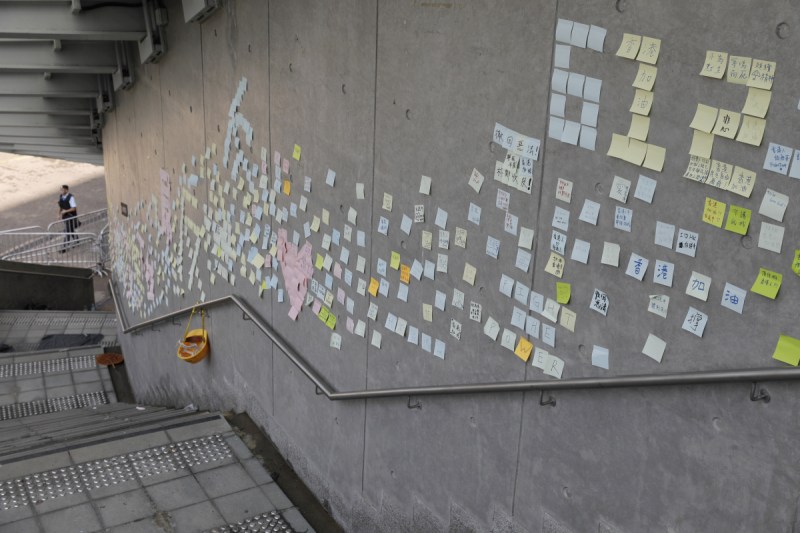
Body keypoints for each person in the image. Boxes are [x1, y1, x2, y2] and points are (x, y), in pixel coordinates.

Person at [58, 185, 78, 252]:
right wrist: (59, 213)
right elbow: (61, 206)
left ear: (66, 190)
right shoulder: (61, 196)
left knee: (67, 231)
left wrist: (65, 211)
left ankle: (64, 247)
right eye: (60, 190)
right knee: (71, 230)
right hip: (65, 216)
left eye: (62, 190)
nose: (61, 191)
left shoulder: (71, 197)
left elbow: (73, 208)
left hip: (70, 216)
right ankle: (77, 241)